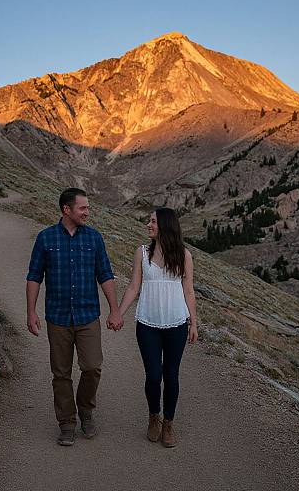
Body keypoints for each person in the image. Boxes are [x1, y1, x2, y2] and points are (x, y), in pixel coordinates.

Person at [26, 188, 123, 446]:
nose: (87, 213)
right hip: (57, 317)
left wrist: (114, 310)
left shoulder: (94, 238)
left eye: (87, 208)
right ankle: (67, 423)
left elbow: (105, 274)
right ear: (66, 210)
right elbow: (35, 275)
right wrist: (30, 312)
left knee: (92, 367)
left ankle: (86, 410)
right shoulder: (45, 238)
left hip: (87, 315)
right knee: (61, 373)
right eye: (83, 208)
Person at [119, 207, 198, 448]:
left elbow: (188, 290)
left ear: (165, 225)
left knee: (171, 375)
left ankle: (169, 423)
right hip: (147, 324)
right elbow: (134, 286)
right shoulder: (142, 252)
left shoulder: (184, 255)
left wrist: (194, 322)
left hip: (176, 324)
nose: (148, 225)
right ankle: (154, 416)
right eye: (149, 221)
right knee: (153, 375)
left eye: (152, 221)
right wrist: (118, 313)